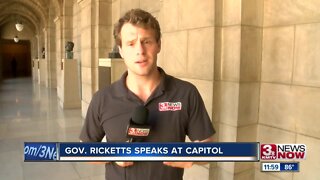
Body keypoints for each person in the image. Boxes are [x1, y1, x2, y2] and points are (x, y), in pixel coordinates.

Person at [80, 8, 215, 180]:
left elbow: (209, 146)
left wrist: (194, 156)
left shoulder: (186, 93)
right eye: (131, 43)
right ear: (120, 50)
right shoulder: (103, 98)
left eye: (146, 41)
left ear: (158, 44)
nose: (140, 51)